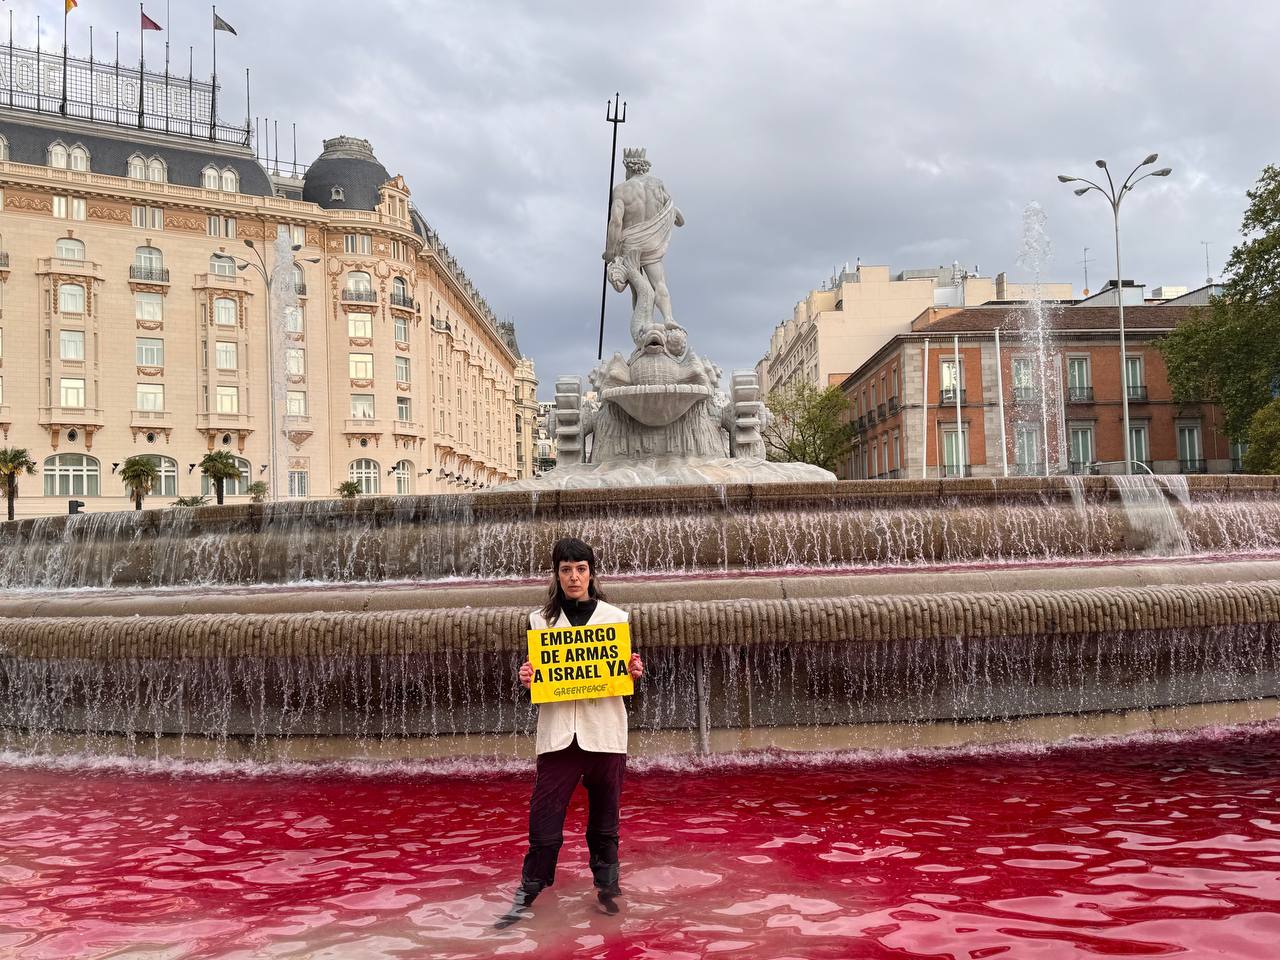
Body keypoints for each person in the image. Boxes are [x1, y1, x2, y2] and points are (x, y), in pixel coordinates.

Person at [495, 537, 644, 928]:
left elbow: (627, 680)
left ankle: (608, 889)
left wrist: (634, 673)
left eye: (580, 569)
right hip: (558, 738)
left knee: (605, 824)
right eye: (566, 569)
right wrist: (527, 677)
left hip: (605, 734)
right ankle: (529, 889)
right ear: (556, 575)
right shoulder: (538, 622)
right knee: (543, 825)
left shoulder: (616, 618)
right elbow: (537, 678)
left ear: (591, 573)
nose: (574, 577)